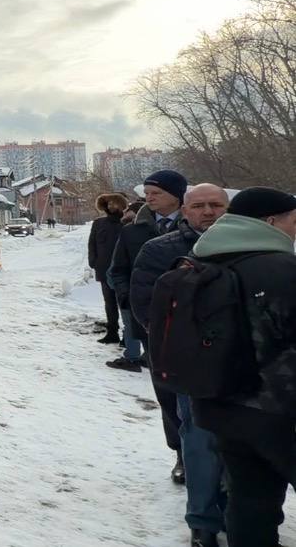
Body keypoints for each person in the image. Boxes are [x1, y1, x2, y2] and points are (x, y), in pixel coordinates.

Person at [192, 187, 296, 547]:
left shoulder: (204, 262)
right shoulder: (284, 269)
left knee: (250, 501)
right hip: (280, 411)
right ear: (270, 221)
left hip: (222, 407)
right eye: (294, 221)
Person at [131, 184, 230, 547]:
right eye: (199, 206)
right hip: (193, 367)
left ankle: (238, 512)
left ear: (228, 208)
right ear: (185, 211)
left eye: (216, 205)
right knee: (200, 442)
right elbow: (145, 306)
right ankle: (203, 521)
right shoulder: (160, 250)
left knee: (239, 445)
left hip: (242, 366)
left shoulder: (246, 248)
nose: (208, 212)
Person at [108, 169, 188, 483]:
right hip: (153, 327)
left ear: (176, 194)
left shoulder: (199, 227)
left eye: (156, 192)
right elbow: (118, 271)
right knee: (167, 393)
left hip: (198, 326)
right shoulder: (133, 232)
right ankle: (180, 453)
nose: (149, 198)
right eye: (148, 193)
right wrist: (130, 302)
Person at [88, 193, 128, 343]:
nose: (111, 206)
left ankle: (128, 336)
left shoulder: (127, 223)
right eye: (109, 203)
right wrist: (93, 261)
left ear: (122, 205)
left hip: (123, 271)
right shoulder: (98, 223)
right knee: (109, 303)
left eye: (115, 203)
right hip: (104, 269)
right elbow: (92, 244)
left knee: (124, 303)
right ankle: (112, 333)